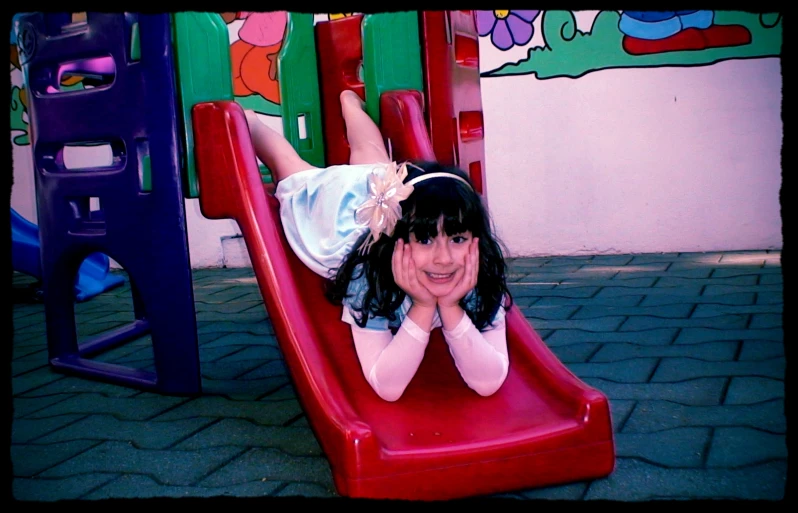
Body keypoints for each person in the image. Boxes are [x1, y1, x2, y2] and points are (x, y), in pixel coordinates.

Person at [244, 90, 512, 402]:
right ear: (397, 241)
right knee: (292, 168)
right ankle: (248, 122)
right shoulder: (368, 274)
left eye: (457, 238)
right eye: (425, 239)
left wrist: (449, 308)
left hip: (385, 194)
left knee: (371, 156)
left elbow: (489, 381)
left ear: (475, 239)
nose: (443, 258)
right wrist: (424, 308)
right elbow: (387, 388)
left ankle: (349, 102)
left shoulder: (478, 272)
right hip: (342, 212)